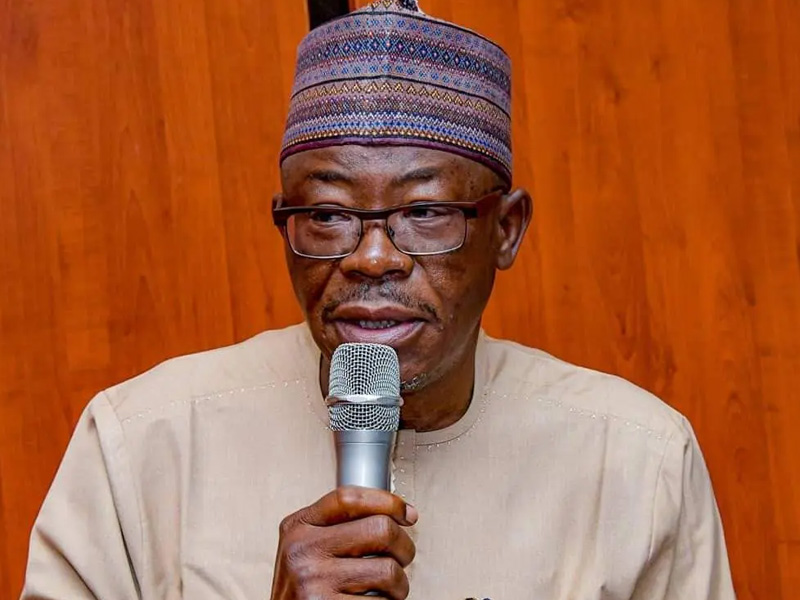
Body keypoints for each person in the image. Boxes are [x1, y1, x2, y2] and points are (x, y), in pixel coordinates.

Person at [22, 0, 736, 598]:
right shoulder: (141, 445)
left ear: (506, 229)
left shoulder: (637, 462)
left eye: (425, 213)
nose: (371, 259)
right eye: (327, 215)